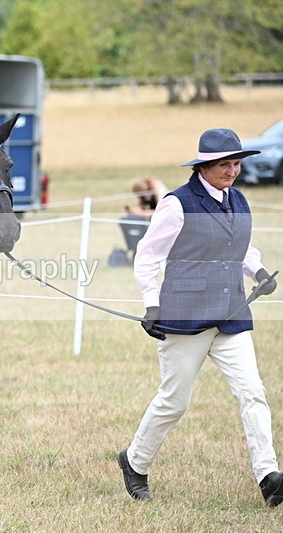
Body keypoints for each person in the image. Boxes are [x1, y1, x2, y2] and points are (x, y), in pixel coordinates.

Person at [118, 128, 282, 506]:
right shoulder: (178, 204)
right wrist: (151, 304)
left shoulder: (238, 200)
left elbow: (240, 247)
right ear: (204, 166)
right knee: (175, 401)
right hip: (185, 316)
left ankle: (268, 477)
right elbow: (148, 255)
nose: (233, 171)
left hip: (231, 314)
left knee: (252, 392)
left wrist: (258, 273)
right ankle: (135, 461)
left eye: (237, 164)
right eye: (225, 164)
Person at [119, 178, 169, 261]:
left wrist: (139, 212)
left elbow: (160, 212)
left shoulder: (157, 189)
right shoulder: (145, 194)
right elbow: (144, 208)